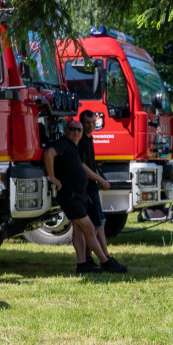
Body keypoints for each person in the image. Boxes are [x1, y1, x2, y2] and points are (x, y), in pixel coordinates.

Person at [44, 120, 127, 274]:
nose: (76, 132)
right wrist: (52, 177)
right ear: (66, 130)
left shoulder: (74, 147)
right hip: (70, 196)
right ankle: (105, 261)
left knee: (79, 229)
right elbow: (48, 153)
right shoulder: (63, 143)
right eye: (73, 129)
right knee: (89, 227)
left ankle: (82, 264)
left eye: (79, 130)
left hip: (80, 195)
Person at [78, 109, 112, 265]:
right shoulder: (82, 142)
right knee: (97, 225)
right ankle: (103, 258)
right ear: (82, 124)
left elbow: (91, 164)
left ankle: (94, 257)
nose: (91, 125)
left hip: (93, 187)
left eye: (93, 123)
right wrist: (100, 180)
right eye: (87, 123)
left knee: (100, 223)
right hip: (88, 187)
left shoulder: (89, 139)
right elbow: (83, 166)